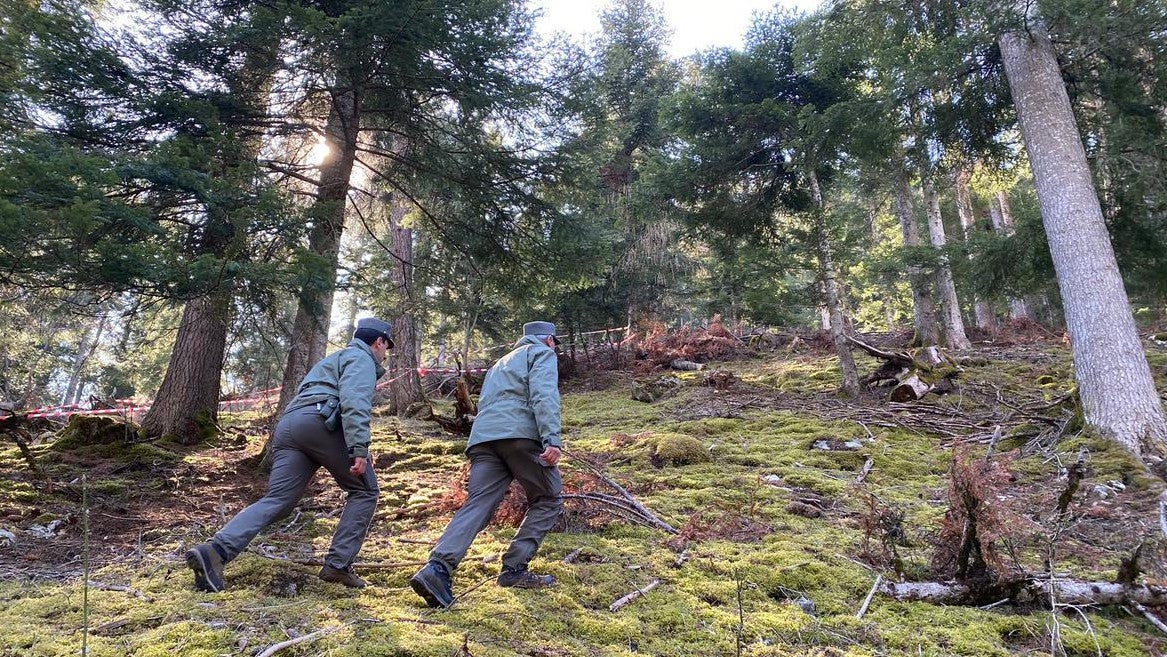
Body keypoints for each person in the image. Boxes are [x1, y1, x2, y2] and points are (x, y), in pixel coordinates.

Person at [185, 317, 393, 592]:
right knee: (365, 491)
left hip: (289, 426)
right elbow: (354, 401)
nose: (385, 354)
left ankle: (215, 552)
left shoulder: (333, 359)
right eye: (386, 347)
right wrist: (359, 448)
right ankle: (337, 566)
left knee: (279, 500)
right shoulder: (361, 358)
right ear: (377, 341)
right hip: (321, 424)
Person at [410, 321, 564, 609]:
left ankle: (438, 570)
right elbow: (544, 395)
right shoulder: (541, 354)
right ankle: (514, 569)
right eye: (554, 342)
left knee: (478, 504)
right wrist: (552, 439)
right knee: (549, 497)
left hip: (484, 440)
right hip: (520, 437)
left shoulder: (500, 363)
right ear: (549, 341)